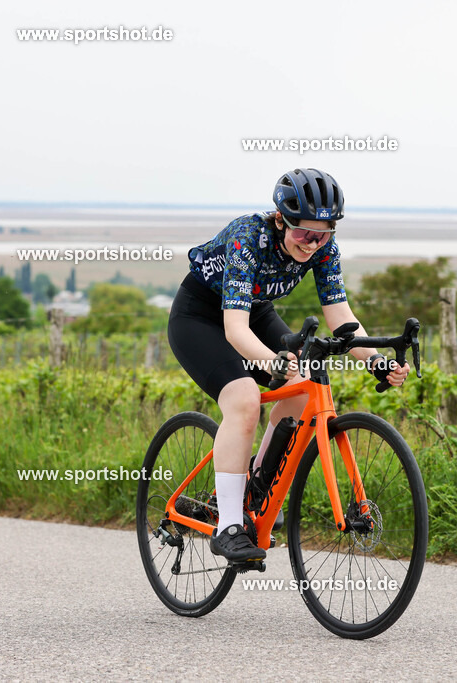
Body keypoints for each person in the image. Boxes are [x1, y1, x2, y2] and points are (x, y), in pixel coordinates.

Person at [167, 168, 410, 562]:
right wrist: (272, 362)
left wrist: (377, 361)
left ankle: (257, 484)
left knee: (301, 386)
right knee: (244, 398)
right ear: (281, 220)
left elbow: (341, 317)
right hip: (200, 318)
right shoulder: (249, 236)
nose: (312, 243)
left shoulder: (324, 249)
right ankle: (229, 526)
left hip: (256, 312)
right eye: (303, 233)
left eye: (323, 235)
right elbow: (234, 329)